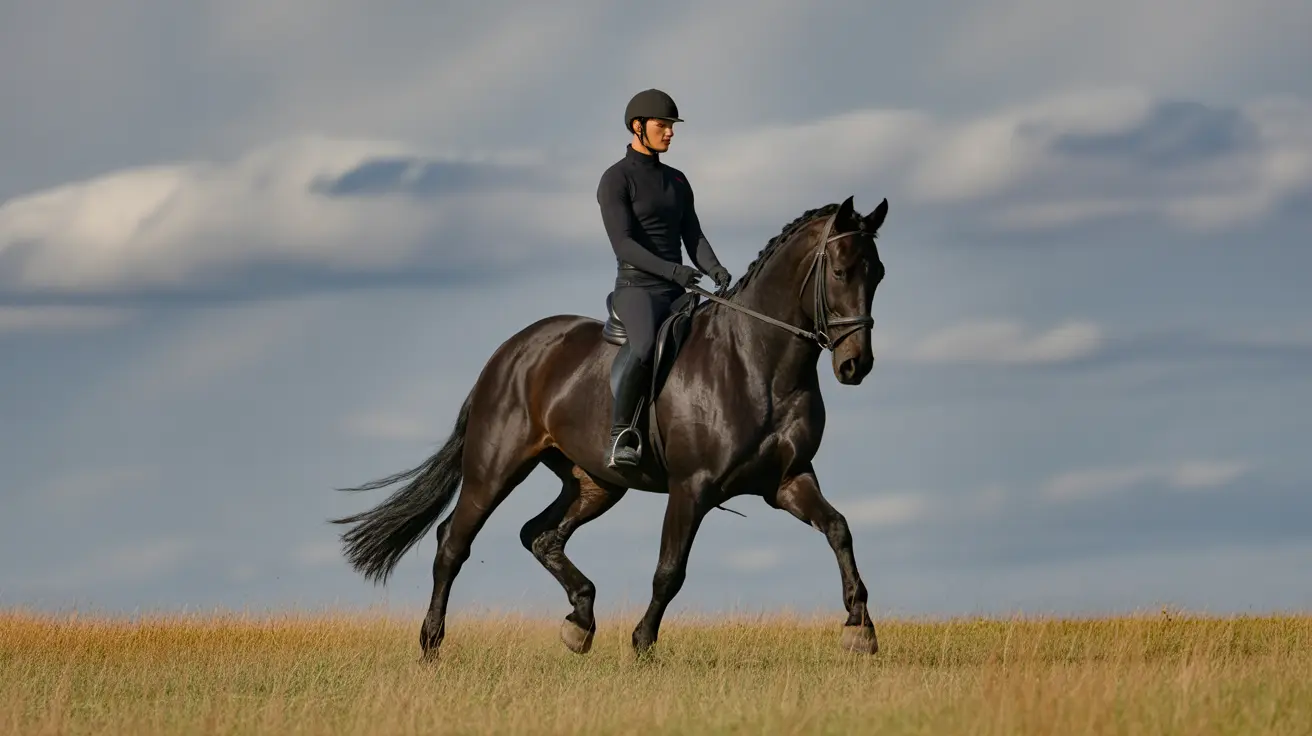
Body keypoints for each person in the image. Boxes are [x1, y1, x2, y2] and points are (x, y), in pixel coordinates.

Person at [596, 88, 732, 471]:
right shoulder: (616, 179)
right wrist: (674, 270)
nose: (670, 132)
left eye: (671, 126)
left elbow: (693, 236)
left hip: (677, 289)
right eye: (662, 125)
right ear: (638, 127)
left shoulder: (678, 180)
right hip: (637, 289)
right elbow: (623, 244)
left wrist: (715, 268)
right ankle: (621, 434)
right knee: (643, 348)